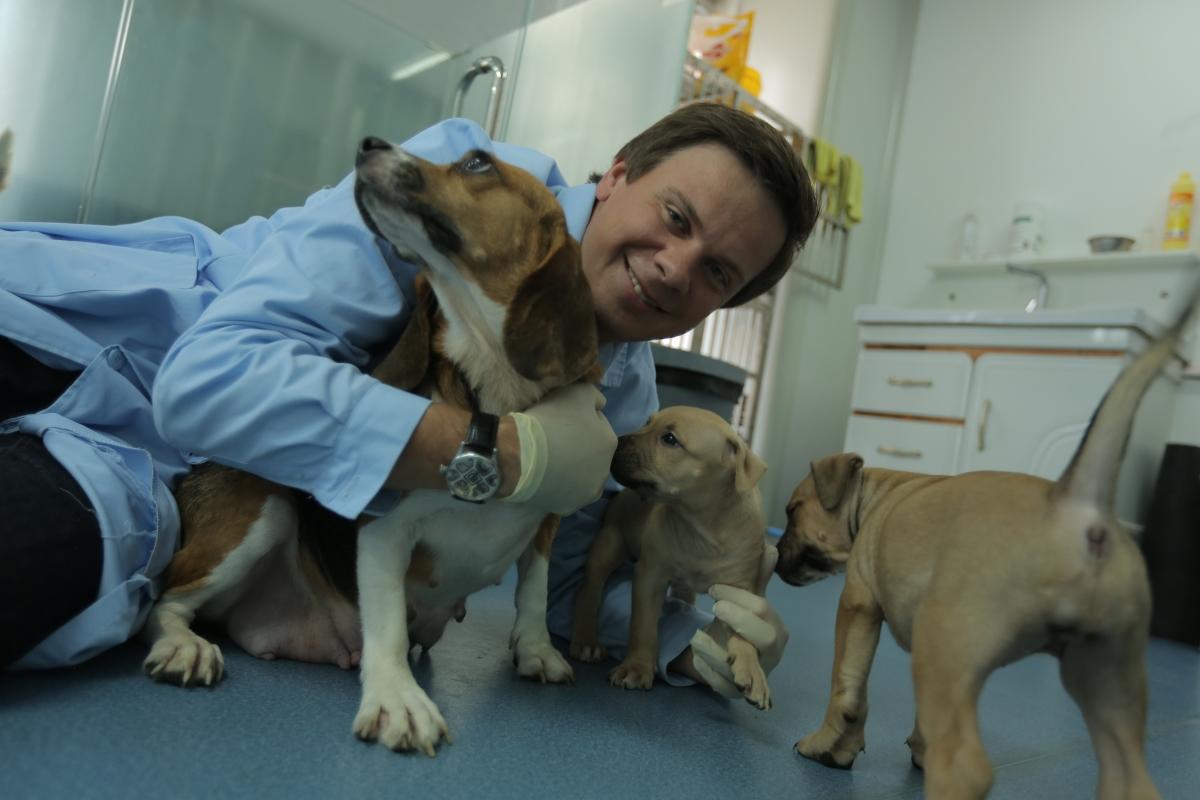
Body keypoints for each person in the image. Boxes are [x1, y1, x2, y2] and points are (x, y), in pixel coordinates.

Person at [0, 102, 818, 700]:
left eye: (718, 272)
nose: (677, 267)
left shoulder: (623, 395)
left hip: (137, 486)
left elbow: (575, 589)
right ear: (617, 177)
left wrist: (697, 635)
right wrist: (502, 455)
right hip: (73, 341)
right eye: (674, 217)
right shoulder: (471, 188)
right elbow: (209, 381)